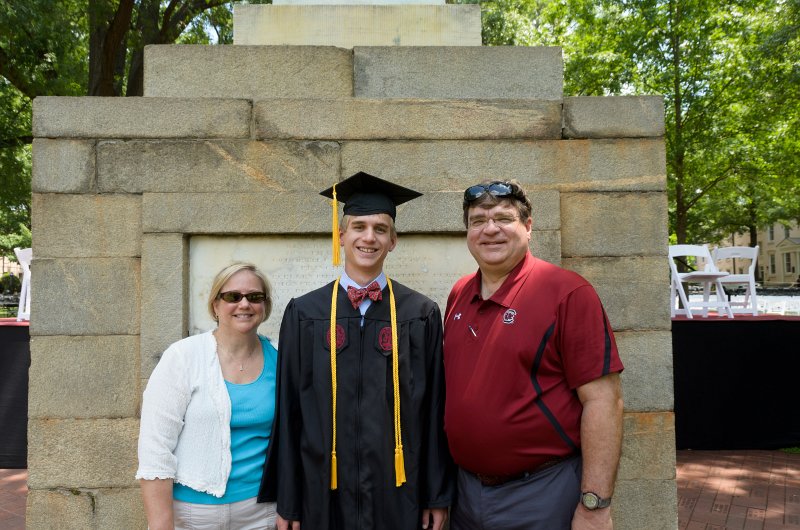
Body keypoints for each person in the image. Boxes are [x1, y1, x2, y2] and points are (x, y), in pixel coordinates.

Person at [260, 172, 454, 530]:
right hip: (322, 491)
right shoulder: (304, 313)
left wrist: (435, 495)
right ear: (341, 236)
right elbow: (289, 412)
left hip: (399, 490)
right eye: (359, 226)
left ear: (393, 240)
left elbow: (434, 410)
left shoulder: (420, 314)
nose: (369, 237)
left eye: (381, 229)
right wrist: (288, 500)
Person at [443, 180, 624, 530]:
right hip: (465, 494)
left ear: (528, 227)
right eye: (478, 220)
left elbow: (604, 402)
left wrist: (595, 505)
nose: (490, 229)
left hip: (540, 493)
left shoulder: (568, 293)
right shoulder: (459, 294)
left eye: (503, 218)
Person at [137, 262, 279, 530]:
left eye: (255, 297)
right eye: (232, 297)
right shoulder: (183, 357)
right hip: (192, 516)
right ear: (215, 305)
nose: (244, 304)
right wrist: (161, 524)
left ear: (265, 306)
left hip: (261, 514)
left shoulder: (281, 358)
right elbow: (155, 448)